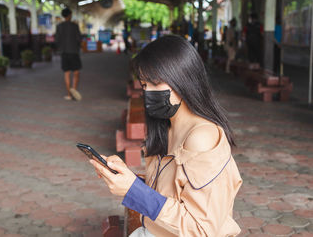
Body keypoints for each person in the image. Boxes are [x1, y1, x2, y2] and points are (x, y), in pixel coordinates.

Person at [90, 35, 243, 237]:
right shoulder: (166, 126)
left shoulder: (202, 138)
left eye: (155, 83)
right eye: (144, 85)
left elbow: (202, 230)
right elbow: (172, 193)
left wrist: (134, 191)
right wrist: (128, 180)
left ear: (183, 79)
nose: (148, 93)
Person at [55, 8, 82, 101]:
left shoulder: (59, 26)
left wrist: (60, 49)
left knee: (66, 73)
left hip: (64, 52)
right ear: (70, 15)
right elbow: (79, 39)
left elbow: (57, 40)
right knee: (76, 73)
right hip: (74, 52)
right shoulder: (75, 26)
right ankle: (73, 90)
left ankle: (69, 95)